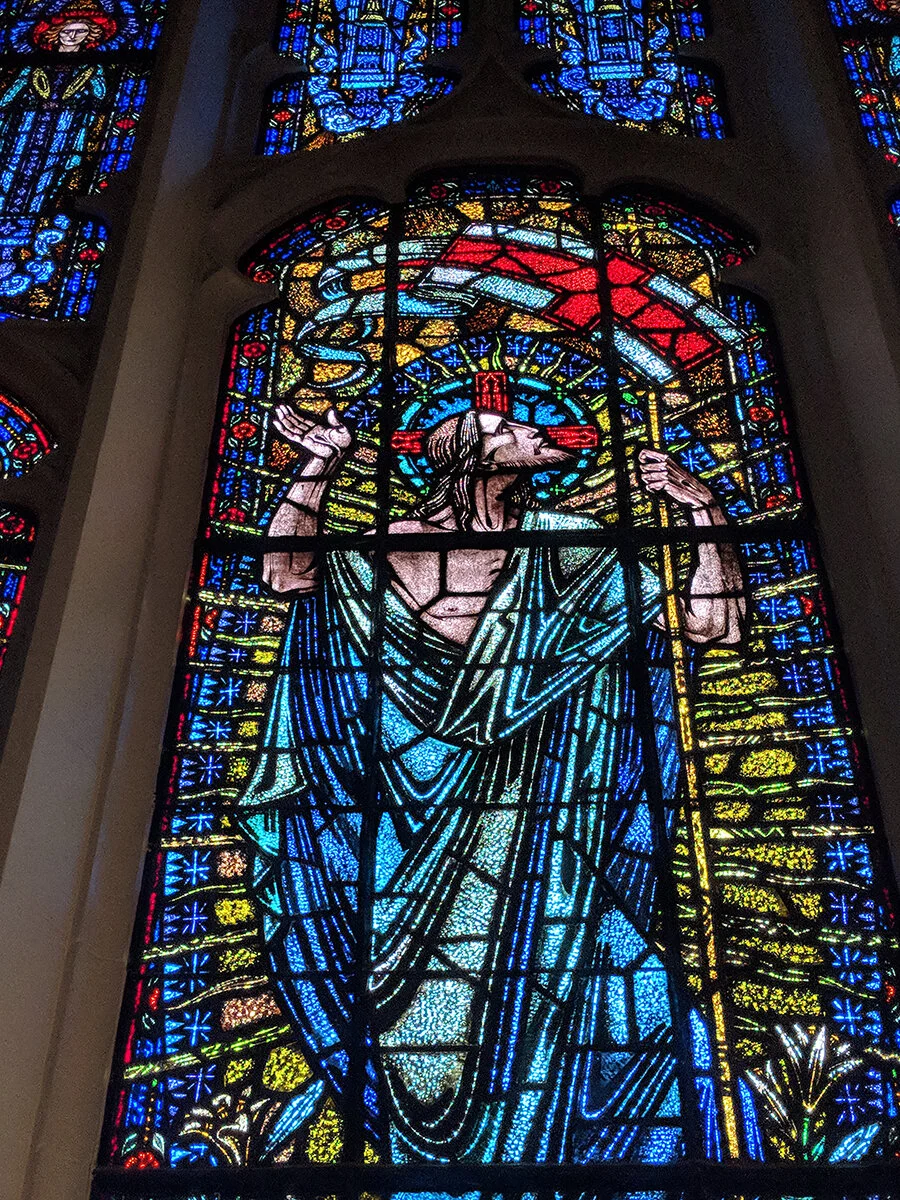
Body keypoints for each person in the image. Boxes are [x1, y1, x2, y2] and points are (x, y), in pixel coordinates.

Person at [237, 400, 745, 1162]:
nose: (532, 431)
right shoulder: (391, 544)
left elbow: (710, 624)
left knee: (660, 1029)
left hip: (550, 856)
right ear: (467, 458)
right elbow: (286, 572)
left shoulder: (572, 549)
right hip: (400, 859)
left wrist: (702, 509)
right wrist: (323, 461)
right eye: (506, 429)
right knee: (427, 1062)